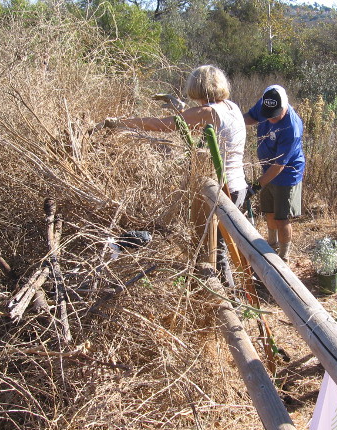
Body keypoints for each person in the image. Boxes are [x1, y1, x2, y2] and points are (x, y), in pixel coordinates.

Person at [100, 65, 248, 286]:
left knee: (215, 252)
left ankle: (227, 302)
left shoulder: (207, 112)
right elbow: (190, 122)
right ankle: (219, 296)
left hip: (221, 189)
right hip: (238, 186)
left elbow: (160, 125)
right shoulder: (231, 107)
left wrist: (120, 123)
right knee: (219, 248)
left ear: (197, 86)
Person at [244, 85, 305, 262]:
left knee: (281, 217)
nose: (270, 119)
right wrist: (235, 122)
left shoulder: (292, 128)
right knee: (268, 211)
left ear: (285, 106)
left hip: (286, 175)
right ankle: (271, 247)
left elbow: (279, 166)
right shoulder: (267, 103)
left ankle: (284, 257)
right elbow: (251, 117)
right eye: (268, 114)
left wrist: (256, 186)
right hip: (267, 169)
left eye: (275, 114)